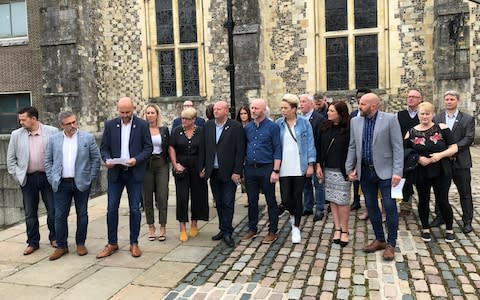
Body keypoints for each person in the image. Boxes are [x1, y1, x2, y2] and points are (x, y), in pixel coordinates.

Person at [345, 93, 403, 261]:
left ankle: (391, 244)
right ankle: (379, 239)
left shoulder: (390, 119)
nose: (359, 106)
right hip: (365, 172)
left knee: (390, 207)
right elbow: (352, 145)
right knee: (370, 206)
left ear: (374, 106)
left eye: (363, 104)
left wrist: (398, 172)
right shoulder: (355, 120)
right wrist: (350, 168)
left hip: (387, 172)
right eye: (359, 103)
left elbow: (398, 147)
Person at [97, 97, 153, 258]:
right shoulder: (110, 125)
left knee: (135, 209)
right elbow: (104, 147)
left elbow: (148, 148)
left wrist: (136, 159)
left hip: (134, 172)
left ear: (133, 109)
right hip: (116, 172)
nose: (125, 115)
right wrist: (106, 159)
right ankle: (112, 242)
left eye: (127, 112)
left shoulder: (142, 125)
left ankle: (134, 243)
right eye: (121, 112)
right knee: (111, 209)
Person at [44, 111, 101, 260]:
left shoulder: (87, 138)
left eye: (74, 122)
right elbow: (48, 161)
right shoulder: (53, 140)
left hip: (81, 182)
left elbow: (96, 159)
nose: (73, 125)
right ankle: (61, 246)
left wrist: (90, 177)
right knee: (60, 215)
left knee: (82, 214)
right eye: (69, 123)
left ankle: (80, 243)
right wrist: (51, 178)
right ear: (61, 125)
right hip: (61, 183)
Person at [6, 106, 59, 255]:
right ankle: (32, 242)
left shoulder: (52, 132)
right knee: (30, 213)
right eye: (20, 120)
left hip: (47, 178)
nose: (21, 122)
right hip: (28, 179)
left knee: (53, 211)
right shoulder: (16, 135)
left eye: (23, 119)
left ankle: (54, 238)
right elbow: (11, 160)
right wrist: (18, 177)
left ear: (33, 119)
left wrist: (55, 175)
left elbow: (58, 155)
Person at [405, 102, 458, 242]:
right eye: (422, 113)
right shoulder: (411, 132)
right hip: (422, 171)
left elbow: (454, 148)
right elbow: (404, 152)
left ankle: (449, 229)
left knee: (443, 200)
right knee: (423, 200)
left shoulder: (442, 128)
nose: (425, 116)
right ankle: (425, 228)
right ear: (418, 115)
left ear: (433, 114)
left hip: (441, 169)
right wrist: (418, 159)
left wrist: (440, 155)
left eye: (427, 113)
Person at [202, 101, 245, 247]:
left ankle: (228, 232)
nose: (216, 111)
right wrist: (203, 166)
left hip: (229, 172)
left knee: (228, 202)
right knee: (218, 202)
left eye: (219, 109)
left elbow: (240, 151)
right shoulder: (208, 126)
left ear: (226, 111)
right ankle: (222, 228)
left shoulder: (236, 127)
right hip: (213, 172)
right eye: (214, 109)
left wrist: (237, 171)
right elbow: (204, 148)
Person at [431, 90, 475, 234]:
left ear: (457, 101)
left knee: (465, 193)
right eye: (447, 99)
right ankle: (440, 216)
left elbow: (468, 139)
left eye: (452, 99)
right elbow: (434, 137)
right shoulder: (437, 118)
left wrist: (453, 149)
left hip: (461, 162)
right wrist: (444, 152)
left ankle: (467, 221)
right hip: (443, 162)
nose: (449, 101)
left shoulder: (467, 119)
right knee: (440, 191)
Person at [276, 94, 316, 244]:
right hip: (284, 166)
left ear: (294, 109)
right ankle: (292, 216)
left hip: (300, 165)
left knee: (298, 196)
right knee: (286, 198)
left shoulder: (304, 123)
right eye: (282, 108)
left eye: (286, 108)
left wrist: (311, 164)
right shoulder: (279, 123)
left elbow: (310, 144)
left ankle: (296, 227)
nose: (283, 111)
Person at [241, 98, 282, 244]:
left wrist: (276, 170)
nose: (253, 111)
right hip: (251, 168)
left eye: (256, 108)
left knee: (271, 200)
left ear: (264, 110)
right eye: (252, 108)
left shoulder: (273, 127)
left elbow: (278, 149)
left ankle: (272, 230)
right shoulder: (248, 128)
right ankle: (252, 228)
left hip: (267, 168)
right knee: (252, 200)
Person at [169, 107, 208, 242]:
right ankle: (182, 228)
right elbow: (172, 147)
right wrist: (175, 164)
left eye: (186, 119)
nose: (183, 121)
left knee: (197, 196)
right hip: (182, 168)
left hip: (197, 168)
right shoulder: (176, 131)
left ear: (194, 120)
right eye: (182, 118)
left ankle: (194, 224)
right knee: (182, 197)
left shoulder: (202, 131)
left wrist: (204, 167)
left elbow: (206, 149)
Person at [316, 101, 351, 247]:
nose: (328, 113)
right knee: (332, 200)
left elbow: (352, 149)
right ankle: (337, 227)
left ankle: (345, 230)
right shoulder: (324, 127)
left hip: (342, 170)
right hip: (327, 169)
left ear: (340, 113)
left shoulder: (348, 128)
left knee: (342, 201)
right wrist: (318, 165)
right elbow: (318, 146)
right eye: (328, 110)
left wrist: (352, 168)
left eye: (332, 111)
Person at [140, 104, 170, 241]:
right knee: (147, 197)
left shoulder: (164, 130)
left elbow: (169, 147)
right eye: (148, 113)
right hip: (146, 165)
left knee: (162, 195)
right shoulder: (141, 130)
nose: (150, 115)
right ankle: (151, 227)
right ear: (144, 115)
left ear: (157, 114)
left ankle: (163, 226)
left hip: (161, 164)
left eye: (153, 112)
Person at [299, 94, 325, 222]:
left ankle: (320, 208)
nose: (301, 104)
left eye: (304, 101)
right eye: (300, 102)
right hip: (303, 157)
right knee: (305, 183)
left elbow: (320, 141)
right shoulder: (299, 120)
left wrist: (318, 161)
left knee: (318, 183)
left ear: (310, 104)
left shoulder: (319, 119)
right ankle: (308, 206)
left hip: (316, 156)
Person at [396, 89, 422, 216]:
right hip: (405, 152)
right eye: (409, 97)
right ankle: (405, 205)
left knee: (421, 181)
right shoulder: (400, 115)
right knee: (405, 180)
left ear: (420, 99)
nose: (410, 99)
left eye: (414, 97)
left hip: (421, 151)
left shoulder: (423, 115)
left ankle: (424, 206)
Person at [350, 88, 371, 212]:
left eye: (362, 96)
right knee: (356, 178)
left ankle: (369, 205)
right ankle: (356, 201)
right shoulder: (353, 114)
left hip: (368, 152)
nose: (359, 99)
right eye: (358, 97)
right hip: (356, 150)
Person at [236, 105, 252, 199]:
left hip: (249, 153)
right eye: (241, 114)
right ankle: (247, 197)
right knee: (243, 178)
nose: (243, 116)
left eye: (245, 113)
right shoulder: (237, 126)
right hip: (240, 154)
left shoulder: (252, 124)